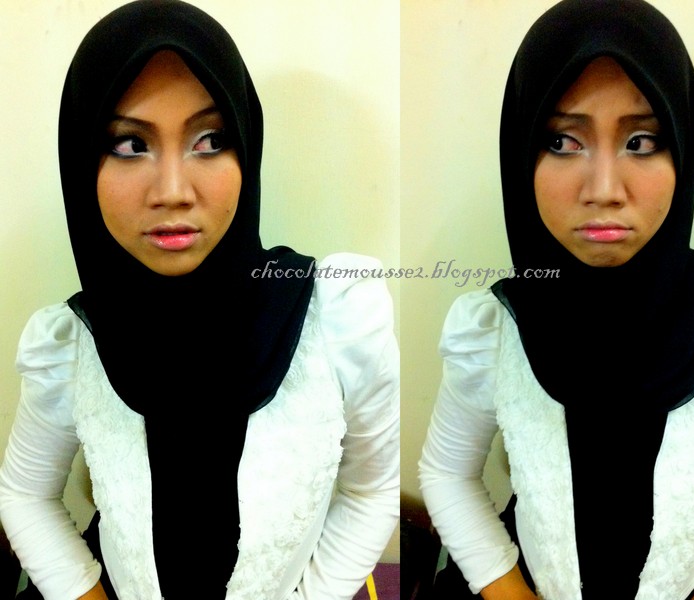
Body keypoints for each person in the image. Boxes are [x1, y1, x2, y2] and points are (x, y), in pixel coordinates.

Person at [0, 1, 399, 599]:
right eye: (129, 144)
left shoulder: (337, 317)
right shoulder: (70, 345)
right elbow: (25, 495)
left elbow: (371, 490)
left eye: (210, 140)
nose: (173, 191)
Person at [418, 0, 694, 599]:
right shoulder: (494, 328)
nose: (603, 190)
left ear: (683, 147)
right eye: (563, 141)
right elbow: (446, 472)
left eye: (641, 141)